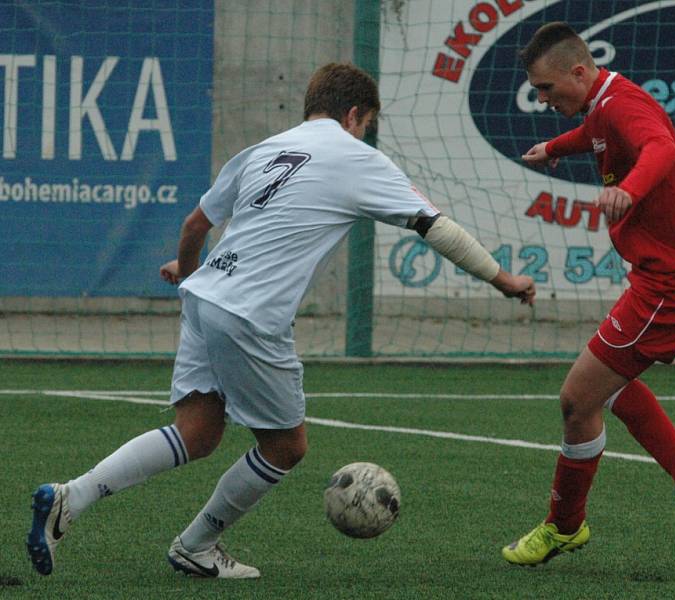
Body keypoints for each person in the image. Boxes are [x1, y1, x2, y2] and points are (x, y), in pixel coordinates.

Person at [25, 63, 535, 579]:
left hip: (206, 297)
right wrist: (504, 280)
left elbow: (195, 223)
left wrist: (187, 270)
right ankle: (197, 544)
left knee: (197, 432)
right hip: (250, 312)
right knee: (286, 446)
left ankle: (72, 497)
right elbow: (436, 227)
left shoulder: (264, 150)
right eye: (366, 124)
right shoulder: (357, 157)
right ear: (354, 115)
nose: (364, 134)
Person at [501, 23, 675, 566]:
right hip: (666, 276)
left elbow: (660, 149)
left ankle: (564, 527)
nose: (541, 99)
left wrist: (628, 189)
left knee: (577, 399)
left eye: (547, 89)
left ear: (579, 72)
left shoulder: (624, 106)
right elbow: (598, 135)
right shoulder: (604, 103)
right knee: (604, 386)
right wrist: (556, 147)